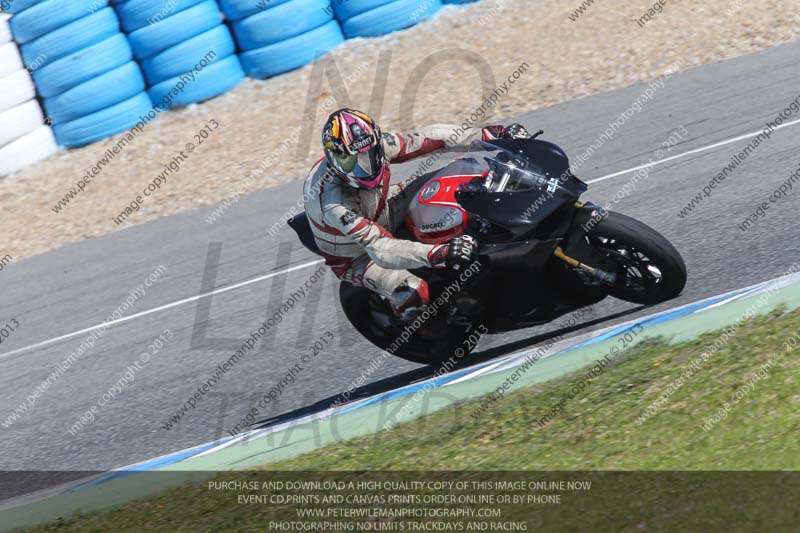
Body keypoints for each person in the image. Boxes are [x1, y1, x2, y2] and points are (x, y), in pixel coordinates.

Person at [302, 108, 530, 318]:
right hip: (359, 254)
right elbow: (379, 247)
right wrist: (439, 254)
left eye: (369, 154)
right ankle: (426, 329)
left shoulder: (380, 145)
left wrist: (493, 134)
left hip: (385, 206)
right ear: (334, 157)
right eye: (352, 161)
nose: (365, 167)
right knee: (413, 294)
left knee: (461, 178)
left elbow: (432, 137)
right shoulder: (333, 203)